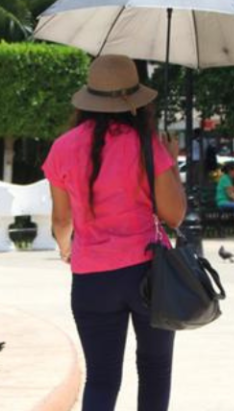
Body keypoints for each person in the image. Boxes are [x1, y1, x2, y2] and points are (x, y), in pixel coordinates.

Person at [42, 55, 186, 411]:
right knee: (155, 370)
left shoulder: (62, 147)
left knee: (102, 378)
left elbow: (61, 221)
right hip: (148, 273)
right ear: (134, 100)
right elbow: (175, 215)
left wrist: (66, 250)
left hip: (92, 277)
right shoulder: (146, 144)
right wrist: (171, 162)